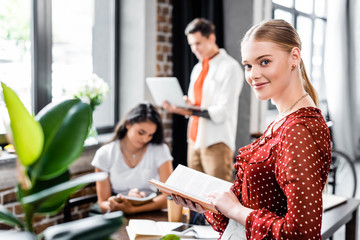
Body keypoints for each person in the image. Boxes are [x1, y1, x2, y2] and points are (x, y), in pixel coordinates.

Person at [171, 19, 331, 239]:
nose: (253, 74)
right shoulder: (283, 121)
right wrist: (213, 206)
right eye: (248, 65)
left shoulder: (299, 128)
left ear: (294, 57)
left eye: (264, 62)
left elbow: (302, 233)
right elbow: (257, 209)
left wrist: (236, 210)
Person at [163, 18, 244, 182]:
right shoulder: (198, 68)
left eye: (198, 43)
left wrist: (188, 110)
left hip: (216, 143)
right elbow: (198, 105)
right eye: (191, 44)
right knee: (195, 196)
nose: (194, 49)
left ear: (211, 38)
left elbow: (222, 112)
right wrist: (186, 106)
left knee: (218, 199)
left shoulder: (230, 67)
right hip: (194, 140)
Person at [91, 102, 173, 214]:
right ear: (128, 124)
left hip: (150, 210)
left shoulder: (160, 150)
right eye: (141, 133)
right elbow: (102, 203)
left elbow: (169, 197)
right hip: (118, 213)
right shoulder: (105, 154)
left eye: (150, 135)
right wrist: (115, 204)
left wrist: (133, 209)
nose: (145, 139)